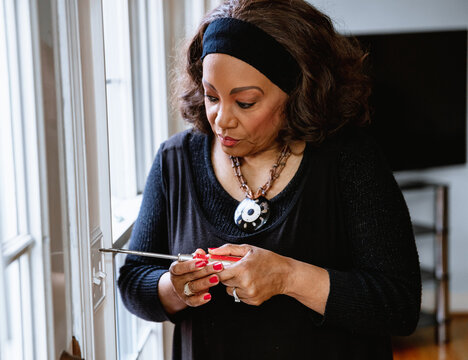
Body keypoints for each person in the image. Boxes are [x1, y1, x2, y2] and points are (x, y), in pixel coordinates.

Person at [118, 0, 421, 359]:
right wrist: (174, 287)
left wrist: (287, 277)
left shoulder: (350, 159)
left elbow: (398, 305)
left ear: (298, 93)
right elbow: (135, 280)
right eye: (211, 96)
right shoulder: (175, 160)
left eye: (244, 102)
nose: (221, 120)